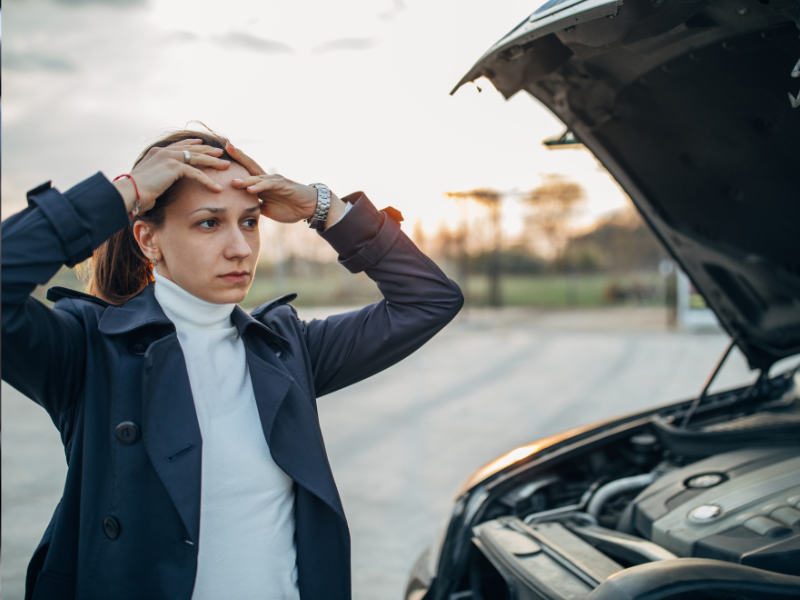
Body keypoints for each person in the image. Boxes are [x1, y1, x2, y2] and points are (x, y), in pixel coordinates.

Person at [1, 129, 464, 600]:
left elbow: (428, 300)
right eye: (208, 223)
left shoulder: (285, 349)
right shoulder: (89, 352)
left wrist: (322, 208)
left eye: (249, 222)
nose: (240, 248)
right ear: (147, 238)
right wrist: (122, 192)